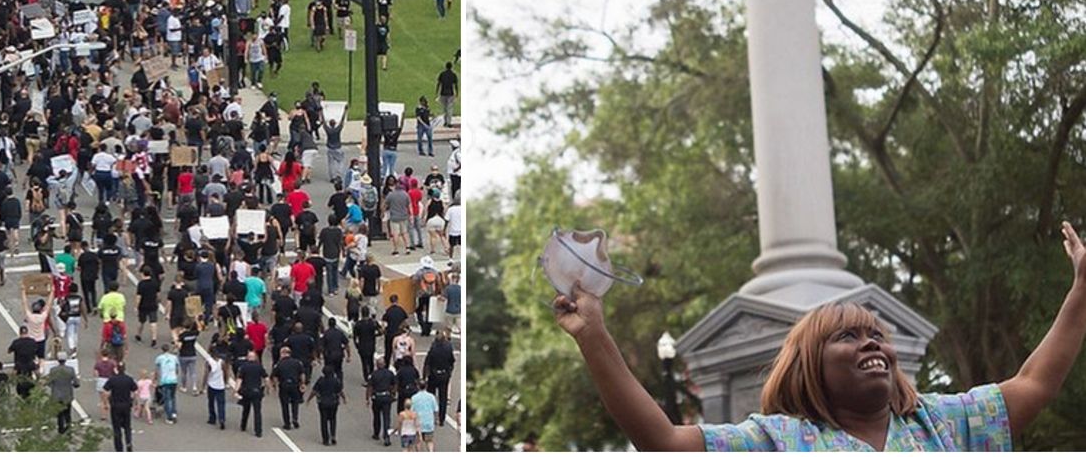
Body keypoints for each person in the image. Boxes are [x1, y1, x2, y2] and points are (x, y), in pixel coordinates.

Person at [554, 222, 1086, 451]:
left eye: (876, 334)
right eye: (847, 337)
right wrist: (593, 335)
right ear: (809, 364)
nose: (872, 343)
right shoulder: (777, 440)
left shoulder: (941, 423)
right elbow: (665, 442)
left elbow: (1034, 383)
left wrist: (1082, 287)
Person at [103, 363, 139, 452]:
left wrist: (106, 403)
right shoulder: (129, 379)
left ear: (117, 369)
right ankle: (128, 442)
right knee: (127, 426)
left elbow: (105, 391)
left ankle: (119, 447)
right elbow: (135, 391)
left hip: (115, 406)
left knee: (116, 427)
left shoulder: (112, 379)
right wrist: (135, 402)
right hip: (126, 405)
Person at [307, 365, 345, 446]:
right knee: (333, 419)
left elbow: (314, 391)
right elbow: (340, 391)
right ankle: (333, 435)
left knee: (323, 420)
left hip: (323, 402)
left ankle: (325, 439)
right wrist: (344, 398)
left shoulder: (320, 380)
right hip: (333, 402)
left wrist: (309, 399)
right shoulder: (336, 381)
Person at [271, 345, 306, 430]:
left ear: (282, 354)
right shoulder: (297, 362)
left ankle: (287, 423)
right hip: (295, 385)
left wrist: (275, 386)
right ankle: (295, 418)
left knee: (284, 404)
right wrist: (302, 383)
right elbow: (302, 374)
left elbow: (275, 376)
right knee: (295, 403)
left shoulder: (279, 364)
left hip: (284, 385)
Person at [235, 348, 267, 437]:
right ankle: (258, 431)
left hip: (246, 391)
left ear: (247, 358)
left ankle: (243, 425)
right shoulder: (259, 367)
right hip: (257, 391)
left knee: (246, 409)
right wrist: (268, 388)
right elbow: (266, 378)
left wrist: (236, 390)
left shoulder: (243, 367)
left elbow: (239, 380)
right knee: (257, 411)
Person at [46, 352, 80, 434]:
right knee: (67, 414)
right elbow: (76, 383)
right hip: (67, 395)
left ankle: (60, 430)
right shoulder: (70, 370)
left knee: (59, 414)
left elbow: (49, 382)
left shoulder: (53, 370)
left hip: (56, 395)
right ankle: (68, 429)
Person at [368, 357, 397, 446]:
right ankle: (386, 436)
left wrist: (368, 398)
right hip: (387, 397)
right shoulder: (390, 373)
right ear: (384, 364)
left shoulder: (374, 374)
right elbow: (395, 384)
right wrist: (393, 393)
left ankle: (376, 433)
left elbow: (370, 387)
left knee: (376, 416)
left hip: (377, 397)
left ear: (377, 365)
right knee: (386, 417)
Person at [154, 343, 180, 424]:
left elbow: (157, 370)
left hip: (165, 380)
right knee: (173, 397)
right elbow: (177, 368)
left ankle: (169, 417)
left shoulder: (159, 358)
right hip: (173, 380)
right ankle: (174, 412)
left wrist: (156, 378)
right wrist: (175, 375)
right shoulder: (174, 357)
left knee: (167, 398)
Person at [410, 380, 439, 451]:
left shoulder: (414, 397)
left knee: (418, 441)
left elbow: (411, 411)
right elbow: (436, 410)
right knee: (429, 441)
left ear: (418, 386)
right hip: (429, 421)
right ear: (426, 386)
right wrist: (436, 419)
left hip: (418, 423)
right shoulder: (431, 397)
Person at [204, 350, 228, 429]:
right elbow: (225, 372)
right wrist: (225, 382)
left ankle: (212, 418)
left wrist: (203, 386)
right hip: (220, 385)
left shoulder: (208, 362)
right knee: (221, 403)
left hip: (211, 385)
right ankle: (222, 419)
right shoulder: (222, 362)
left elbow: (206, 374)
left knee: (211, 402)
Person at [435, 62, 458, 128]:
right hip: (450, 93)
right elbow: (455, 85)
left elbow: (438, 83)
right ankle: (449, 122)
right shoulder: (453, 74)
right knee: (449, 109)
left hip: (443, 93)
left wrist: (437, 92)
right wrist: (457, 93)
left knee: (444, 108)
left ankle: (445, 122)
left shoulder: (442, 74)